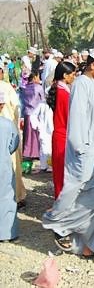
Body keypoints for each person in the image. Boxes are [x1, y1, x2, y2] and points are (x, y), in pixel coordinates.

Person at [42, 44, 94, 259]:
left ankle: (93, 245)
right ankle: (60, 225)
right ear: (93, 65)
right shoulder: (82, 85)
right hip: (86, 153)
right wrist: (83, 153)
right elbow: (77, 124)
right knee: (83, 195)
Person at [46, 61, 76, 199]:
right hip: (64, 135)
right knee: (64, 174)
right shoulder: (64, 93)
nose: (74, 77)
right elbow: (69, 117)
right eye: (72, 75)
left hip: (59, 135)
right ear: (65, 75)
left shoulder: (58, 90)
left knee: (59, 173)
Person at [0, 67, 26, 208]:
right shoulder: (6, 87)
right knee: (12, 164)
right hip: (8, 132)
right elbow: (16, 108)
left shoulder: (6, 86)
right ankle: (17, 196)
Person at [0, 91, 20, 242]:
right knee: (6, 197)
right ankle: (7, 233)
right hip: (3, 165)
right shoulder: (7, 124)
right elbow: (14, 144)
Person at [21, 72, 44, 168]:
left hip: (27, 113)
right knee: (36, 134)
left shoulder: (24, 88)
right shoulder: (38, 87)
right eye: (38, 76)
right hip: (36, 113)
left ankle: (27, 152)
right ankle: (35, 153)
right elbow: (43, 100)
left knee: (27, 134)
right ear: (34, 77)